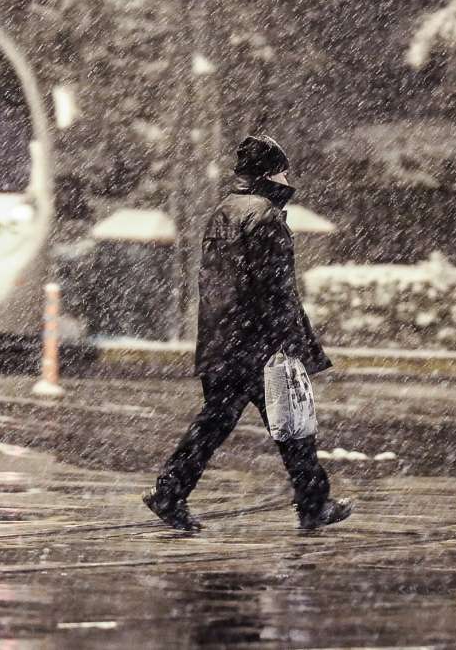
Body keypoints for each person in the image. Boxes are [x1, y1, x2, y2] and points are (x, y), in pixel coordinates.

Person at [143, 135, 352, 531]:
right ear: (270, 173)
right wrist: (290, 341)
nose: (288, 178)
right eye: (283, 171)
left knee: (216, 423)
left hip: (225, 338)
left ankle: (170, 492)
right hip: (259, 343)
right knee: (293, 425)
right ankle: (312, 505)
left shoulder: (223, 210)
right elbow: (276, 289)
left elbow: (220, 281)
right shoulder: (266, 216)